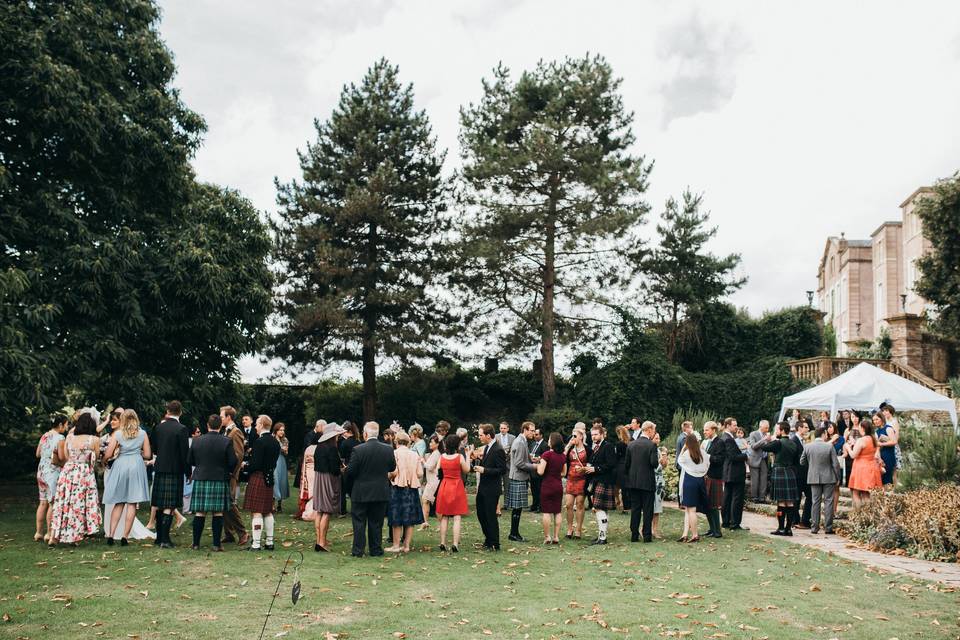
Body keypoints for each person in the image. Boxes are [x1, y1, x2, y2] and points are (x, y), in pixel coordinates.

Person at [49, 412, 102, 546]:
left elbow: (66, 456)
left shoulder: (69, 438)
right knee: (78, 505)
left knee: (63, 503)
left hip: (68, 472)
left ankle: (53, 537)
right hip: (83, 474)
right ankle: (75, 536)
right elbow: (95, 457)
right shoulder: (94, 440)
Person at [187, 414, 237, 551]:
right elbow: (233, 461)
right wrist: (227, 470)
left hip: (201, 478)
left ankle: (196, 544)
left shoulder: (197, 441)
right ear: (220, 426)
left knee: (200, 512)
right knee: (218, 513)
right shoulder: (226, 441)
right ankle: (216, 544)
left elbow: (189, 460)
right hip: (220, 478)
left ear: (207, 426)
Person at [346, 421, 396, 558]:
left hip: (361, 491)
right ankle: (375, 549)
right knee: (376, 522)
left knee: (359, 522)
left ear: (365, 434)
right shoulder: (388, 449)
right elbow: (392, 468)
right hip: (380, 490)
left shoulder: (358, 449)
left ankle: (358, 550)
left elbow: (351, 471)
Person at [102, 409, 152, 546]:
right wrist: (137, 452)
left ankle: (111, 535)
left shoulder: (118, 434)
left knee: (119, 502)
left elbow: (109, 453)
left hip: (121, 464)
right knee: (132, 503)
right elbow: (148, 455)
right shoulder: (142, 434)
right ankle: (124, 536)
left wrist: (104, 461)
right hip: (136, 464)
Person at [150, 401, 190, 549]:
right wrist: (188, 472)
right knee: (169, 504)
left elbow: (154, 448)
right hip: (174, 470)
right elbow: (184, 453)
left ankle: (159, 537)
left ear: (167, 411)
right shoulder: (182, 429)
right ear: (180, 412)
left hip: (160, 468)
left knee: (160, 504)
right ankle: (165, 540)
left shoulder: (158, 428)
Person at [754, 421, 801, 536]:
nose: (776, 431)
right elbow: (796, 461)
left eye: (777, 429)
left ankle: (780, 528)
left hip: (780, 472)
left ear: (782, 430)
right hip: (790, 472)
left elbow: (764, 447)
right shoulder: (793, 443)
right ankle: (788, 529)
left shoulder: (778, 443)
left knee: (781, 502)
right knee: (789, 502)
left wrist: (768, 438)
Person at [243, 415, 281, 551]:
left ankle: (256, 544)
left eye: (257, 424)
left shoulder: (259, 442)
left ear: (261, 425)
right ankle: (270, 542)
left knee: (257, 511)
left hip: (258, 477)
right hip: (269, 477)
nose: (255, 427)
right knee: (267, 511)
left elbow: (256, 464)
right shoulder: (276, 442)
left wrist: (245, 465)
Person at [801, 424, 843, 534]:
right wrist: (838, 477)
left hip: (813, 477)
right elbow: (835, 464)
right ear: (823, 434)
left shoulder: (808, 446)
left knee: (815, 502)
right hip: (829, 477)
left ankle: (814, 527)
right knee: (829, 502)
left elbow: (802, 462)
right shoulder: (829, 447)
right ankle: (828, 528)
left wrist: (812, 465)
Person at [387, 431, 424, 553]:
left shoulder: (394, 453)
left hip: (397, 487)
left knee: (396, 517)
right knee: (410, 518)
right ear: (408, 442)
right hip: (411, 488)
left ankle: (396, 545)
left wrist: (390, 476)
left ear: (396, 442)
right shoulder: (414, 455)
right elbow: (420, 474)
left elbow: (393, 471)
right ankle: (406, 546)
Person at [473, 423, 507, 551]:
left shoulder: (498, 449)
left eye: (481, 435)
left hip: (492, 489)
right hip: (483, 487)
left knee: (490, 515)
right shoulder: (487, 448)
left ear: (488, 435)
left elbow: (502, 470)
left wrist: (485, 470)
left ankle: (494, 543)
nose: (479, 437)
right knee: (481, 514)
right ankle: (488, 538)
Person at [311, 422, 344, 551]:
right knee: (326, 511)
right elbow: (334, 469)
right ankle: (322, 543)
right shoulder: (332, 449)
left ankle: (319, 540)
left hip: (319, 478)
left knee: (320, 511)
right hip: (328, 479)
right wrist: (342, 470)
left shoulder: (319, 447)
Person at [624, 421, 659, 543]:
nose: (654, 433)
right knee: (648, 509)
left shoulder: (631, 445)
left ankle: (634, 534)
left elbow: (626, 465)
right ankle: (647, 535)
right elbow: (654, 464)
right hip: (647, 482)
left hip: (633, 482)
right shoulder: (652, 445)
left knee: (635, 509)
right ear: (649, 430)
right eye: (653, 430)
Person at [35, 415, 68, 543]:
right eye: (66, 425)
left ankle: (38, 532)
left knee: (42, 502)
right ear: (60, 425)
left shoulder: (45, 435)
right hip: (52, 473)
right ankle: (49, 533)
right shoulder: (60, 437)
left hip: (41, 471)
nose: (66, 427)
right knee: (52, 503)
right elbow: (60, 456)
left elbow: (38, 453)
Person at [219, 406, 249, 547]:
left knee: (230, 503)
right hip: (223, 472)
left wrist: (232, 472)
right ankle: (229, 533)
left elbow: (238, 455)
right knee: (224, 503)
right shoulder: (225, 431)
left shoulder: (235, 432)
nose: (220, 418)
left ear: (228, 417)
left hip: (230, 474)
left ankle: (243, 532)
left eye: (222, 416)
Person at [504, 421, 539, 542]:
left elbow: (521, 460)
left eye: (534, 431)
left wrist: (531, 460)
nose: (533, 433)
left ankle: (514, 533)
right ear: (525, 429)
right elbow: (519, 463)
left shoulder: (522, 441)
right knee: (517, 508)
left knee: (517, 509)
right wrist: (534, 466)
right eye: (532, 430)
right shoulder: (520, 442)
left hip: (519, 477)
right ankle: (513, 534)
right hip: (518, 477)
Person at [435, 433, 470, 551]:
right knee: (457, 517)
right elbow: (467, 470)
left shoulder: (442, 457)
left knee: (444, 516)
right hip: (456, 486)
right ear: (457, 445)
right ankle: (455, 543)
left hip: (444, 486)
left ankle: (442, 542)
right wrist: (468, 456)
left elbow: (437, 471)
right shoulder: (459, 457)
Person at [584, 423, 617, 545]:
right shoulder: (597, 447)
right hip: (598, 480)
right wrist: (587, 467)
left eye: (596, 434)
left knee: (598, 508)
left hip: (604, 481)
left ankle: (602, 538)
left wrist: (595, 469)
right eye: (592, 435)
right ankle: (601, 535)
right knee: (601, 509)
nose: (593, 437)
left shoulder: (607, 446)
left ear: (602, 434)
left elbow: (611, 464)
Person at [677, 432, 709, 543]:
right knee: (688, 509)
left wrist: (683, 448)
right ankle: (685, 534)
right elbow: (707, 466)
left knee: (691, 510)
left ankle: (695, 534)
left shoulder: (686, 454)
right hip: (700, 480)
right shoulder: (703, 453)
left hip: (690, 481)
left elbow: (679, 461)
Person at [536, 433, 567, 544]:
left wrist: (539, 463)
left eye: (549, 439)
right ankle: (556, 537)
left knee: (546, 512)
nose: (548, 441)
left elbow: (540, 471)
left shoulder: (547, 454)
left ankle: (547, 536)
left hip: (547, 485)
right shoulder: (563, 456)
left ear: (552, 442)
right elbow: (564, 473)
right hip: (558, 485)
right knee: (557, 511)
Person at [720, 417, 748, 531]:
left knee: (727, 497)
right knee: (736, 498)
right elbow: (733, 457)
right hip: (735, 472)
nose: (736, 427)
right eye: (734, 425)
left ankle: (726, 521)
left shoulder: (725, 437)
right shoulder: (728, 439)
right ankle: (734, 522)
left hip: (729, 472)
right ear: (727, 426)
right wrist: (746, 454)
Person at [847, 420, 883, 506]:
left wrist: (848, 447)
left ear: (863, 428)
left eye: (859, 426)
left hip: (860, 468)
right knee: (866, 493)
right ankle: (868, 514)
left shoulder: (861, 440)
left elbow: (853, 455)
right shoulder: (873, 439)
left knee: (855, 492)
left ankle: (859, 515)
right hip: (870, 466)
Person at [701, 421, 726, 538]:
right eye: (704, 430)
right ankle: (712, 529)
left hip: (715, 477)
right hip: (708, 476)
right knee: (708, 504)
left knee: (714, 505)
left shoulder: (720, 442)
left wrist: (707, 456)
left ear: (713, 430)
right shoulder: (708, 443)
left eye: (706, 430)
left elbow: (720, 459)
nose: (704, 432)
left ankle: (717, 531)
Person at [563, 428, 589, 539]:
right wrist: (568, 445)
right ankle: (570, 528)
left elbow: (591, 462)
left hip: (582, 479)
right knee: (568, 504)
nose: (573, 438)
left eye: (575, 436)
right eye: (572, 435)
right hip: (570, 478)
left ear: (581, 437)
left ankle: (578, 529)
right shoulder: (570, 448)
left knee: (579, 504)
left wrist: (584, 469)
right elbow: (562, 458)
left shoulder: (587, 449)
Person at [791, 420, 812, 528]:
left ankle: (804, 521)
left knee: (810, 497)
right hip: (797, 474)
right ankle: (795, 520)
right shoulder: (794, 440)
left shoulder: (804, 441)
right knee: (797, 498)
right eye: (806, 427)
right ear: (799, 428)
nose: (808, 429)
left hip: (805, 475)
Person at [419, 435, 442, 529]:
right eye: (430, 442)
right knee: (425, 501)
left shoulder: (436, 453)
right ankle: (425, 522)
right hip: (431, 481)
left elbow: (430, 467)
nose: (430, 444)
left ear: (438, 444)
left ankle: (439, 524)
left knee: (433, 503)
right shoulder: (434, 453)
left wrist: (423, 461)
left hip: (434, 481)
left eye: (432, 442)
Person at [338, 421, 360, 515]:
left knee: (343, 490)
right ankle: (356, 508)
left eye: (344, 431)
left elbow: (342, 456)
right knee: (355, 489)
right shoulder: (358, 442)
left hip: (347, 467)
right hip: (357, 468)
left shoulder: (345, 443)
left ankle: (342, 510)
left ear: (349, 431)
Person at [747, 420, 771, 503]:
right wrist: (763, 439)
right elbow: (753, 446)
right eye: (766, 428)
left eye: (768, 427)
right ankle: (754, 497)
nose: (768, 429)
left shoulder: (767, 435)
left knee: (764, 479)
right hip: (754, 459)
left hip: (764, 459)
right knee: (755, 479)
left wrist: (770, 441)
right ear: (761, 427)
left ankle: (762, 497)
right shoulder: (753, 434)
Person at [875, 411, 898, 490]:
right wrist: (878, 456)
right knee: (881, 478)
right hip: (880, 456)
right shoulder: (877, 431)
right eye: (873, 420)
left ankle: (890, 496)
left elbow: (894, 441)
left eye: (877, 419)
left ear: (882, 419)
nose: (875, 422)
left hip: (888, 455)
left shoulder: (888, 428)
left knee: (888, 478)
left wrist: (881, 444)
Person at [651, 439, 668, 539]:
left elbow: (664, 466)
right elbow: (655, 467)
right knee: (650, 507)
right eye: (656, 438)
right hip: (652, 480)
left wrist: (664, 456)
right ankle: (645, 528)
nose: (658, 440)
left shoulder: (658, 450)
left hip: (659, 482)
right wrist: (659, 462)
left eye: (659, 438)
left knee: (657, 508)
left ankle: (655, 530)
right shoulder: (651, 450)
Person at [529, 428, 547, 513]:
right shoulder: (532, 444)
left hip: (540, 470)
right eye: (534, 434)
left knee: (539, 489)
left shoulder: (545, 445)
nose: (534, 436)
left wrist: (538, 459)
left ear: (541, 435)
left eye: (536, 434)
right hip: (532, 469)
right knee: (533, 489)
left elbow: (546, 457)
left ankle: (541, 506)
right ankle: (534, 505)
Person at [272, 422, 290, 512]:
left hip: (281, 460)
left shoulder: (285, 440)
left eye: (283, 430)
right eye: (280, 430)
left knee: (281, 481)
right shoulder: (272, 438)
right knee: (275, 480)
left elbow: (286, 452)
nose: (282, 432)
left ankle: (279, 505)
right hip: (273, 460)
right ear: (276, 430)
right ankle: (272, 505)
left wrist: (284, 450)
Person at [843, 412, 862, 487]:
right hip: (849, 451)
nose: (855, 419)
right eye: (853, 417)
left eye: (856, 417)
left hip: (860, 452)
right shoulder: (847, 429)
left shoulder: (862, 428)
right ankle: (849, 485)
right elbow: (843, 442)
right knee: (849, 469)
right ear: (850, 418)